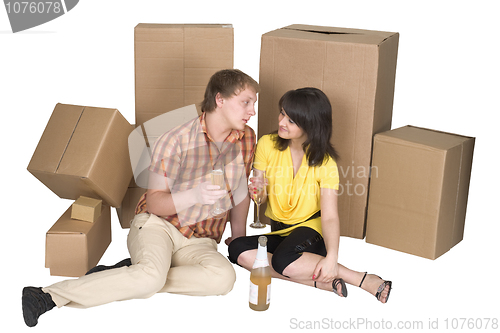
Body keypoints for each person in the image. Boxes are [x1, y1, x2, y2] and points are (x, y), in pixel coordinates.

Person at [22, 69, 260, 327]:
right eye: (245, 102)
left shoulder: (246, 138)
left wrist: (239, 238)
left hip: (201, 241)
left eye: (254, 104)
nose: (252, 111)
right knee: (150, 278)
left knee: (223, 279)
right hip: (159, 225)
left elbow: (239, 191)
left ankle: (130, 274)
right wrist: (194, 194)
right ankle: (48, 295)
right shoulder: (176, 140)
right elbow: (155, 202)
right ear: (220, 100)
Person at [228, 87, 392, 303]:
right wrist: (258, 192)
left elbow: (330, 215)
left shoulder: (325, 163)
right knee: (236, 249)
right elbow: (262, 196)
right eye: (282, 113)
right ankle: (320, 282)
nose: (281, 122)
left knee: (281, 260)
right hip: (279, 229)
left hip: (310, 230)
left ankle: (360, 278)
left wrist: (332, 257)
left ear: (310, 125)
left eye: (291, 120)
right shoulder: (267, 144)